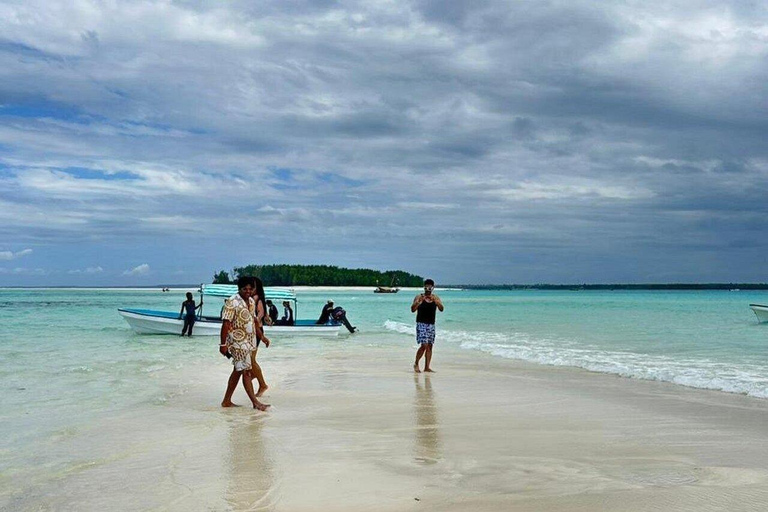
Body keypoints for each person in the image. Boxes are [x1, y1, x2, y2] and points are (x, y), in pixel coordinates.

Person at [219, 277, 269, 410]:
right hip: (237, 342)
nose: (247, 291)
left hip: (249, 341)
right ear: (239, 288)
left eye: (250, 289)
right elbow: (226, 324)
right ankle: (255, 403)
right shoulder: (232, 301)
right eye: (244, 289)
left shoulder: (252, 301)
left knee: (237, 371)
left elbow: (253, 321)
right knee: (246, 371)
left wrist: (262, 337)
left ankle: (226, 401)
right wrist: (223, 344)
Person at [411, 279, 444, 373]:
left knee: (430, 346)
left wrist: (437, 302)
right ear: (424, 287)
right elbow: (412, 309)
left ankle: (427, 367)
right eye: (426, 287)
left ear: (433, 288)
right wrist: (418, 302)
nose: (428, 289)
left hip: (431, 324)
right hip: (421, 323)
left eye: (430, 287)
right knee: (424, 345)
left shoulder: (435, 297)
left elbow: (441, 309)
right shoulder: (419, 297)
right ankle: (416, 363)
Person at [249, 277, 272, 397]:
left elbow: (260, 314)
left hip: (255, 331)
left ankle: (262, 384)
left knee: (251, 360)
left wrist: (255, 321)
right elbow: (263, 314)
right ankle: (255, 375)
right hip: (255, 331)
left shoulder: (256, 298)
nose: (250, 289)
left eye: (252, 287)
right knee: (251, 359)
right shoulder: (256, 298)